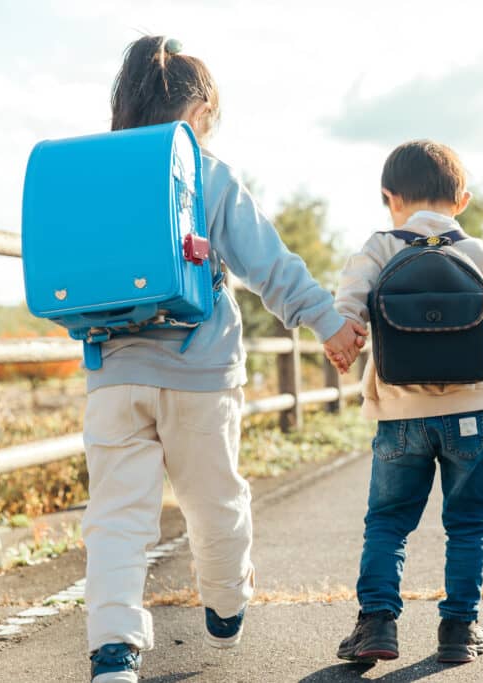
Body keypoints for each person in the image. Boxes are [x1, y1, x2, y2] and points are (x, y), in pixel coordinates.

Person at [83, 35, 366, 683]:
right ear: (201, 109)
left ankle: (114, 652)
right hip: (199, 372)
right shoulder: (207, 172)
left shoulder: (98, 169)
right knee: (215, 499)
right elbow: (267, 263)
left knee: (117, 517)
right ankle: (226, 602)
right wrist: (327, 321)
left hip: (114, 372)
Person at [327, 140, 483, 664]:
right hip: (469, 413)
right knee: (466, 523)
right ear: (461, 199)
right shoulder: (481, 254)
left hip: (398, 415)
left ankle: (376, 622)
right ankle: (459, 630)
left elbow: (347, 305)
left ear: (388, 197)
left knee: (389, 521)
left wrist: (346, 341)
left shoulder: (378, 247)